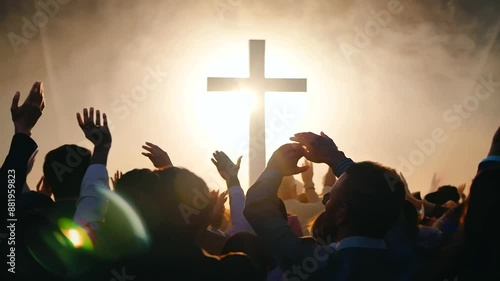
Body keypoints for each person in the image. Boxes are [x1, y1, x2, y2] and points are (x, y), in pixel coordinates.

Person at [244, 131, 405, 281]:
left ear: (341, 213)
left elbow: (257, 207)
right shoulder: (408, 256)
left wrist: (275, 168)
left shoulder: (317, 265)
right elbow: (382, 196)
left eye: (330, 198)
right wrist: (337, 159)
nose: (324, 201)